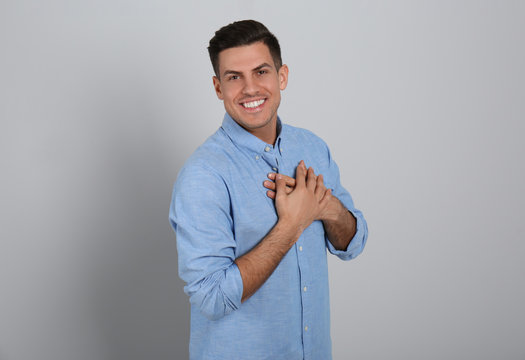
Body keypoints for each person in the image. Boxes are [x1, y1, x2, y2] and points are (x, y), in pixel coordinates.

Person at [169, 19, 368, 360]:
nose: (250, 88)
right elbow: (213, 298)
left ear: (282, 76)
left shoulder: (313, 148)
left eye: (261, 72)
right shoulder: (203, 175)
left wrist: (326, 208)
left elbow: (353, 242)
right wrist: (291, 225)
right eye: (234, 77)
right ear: (218, 88)